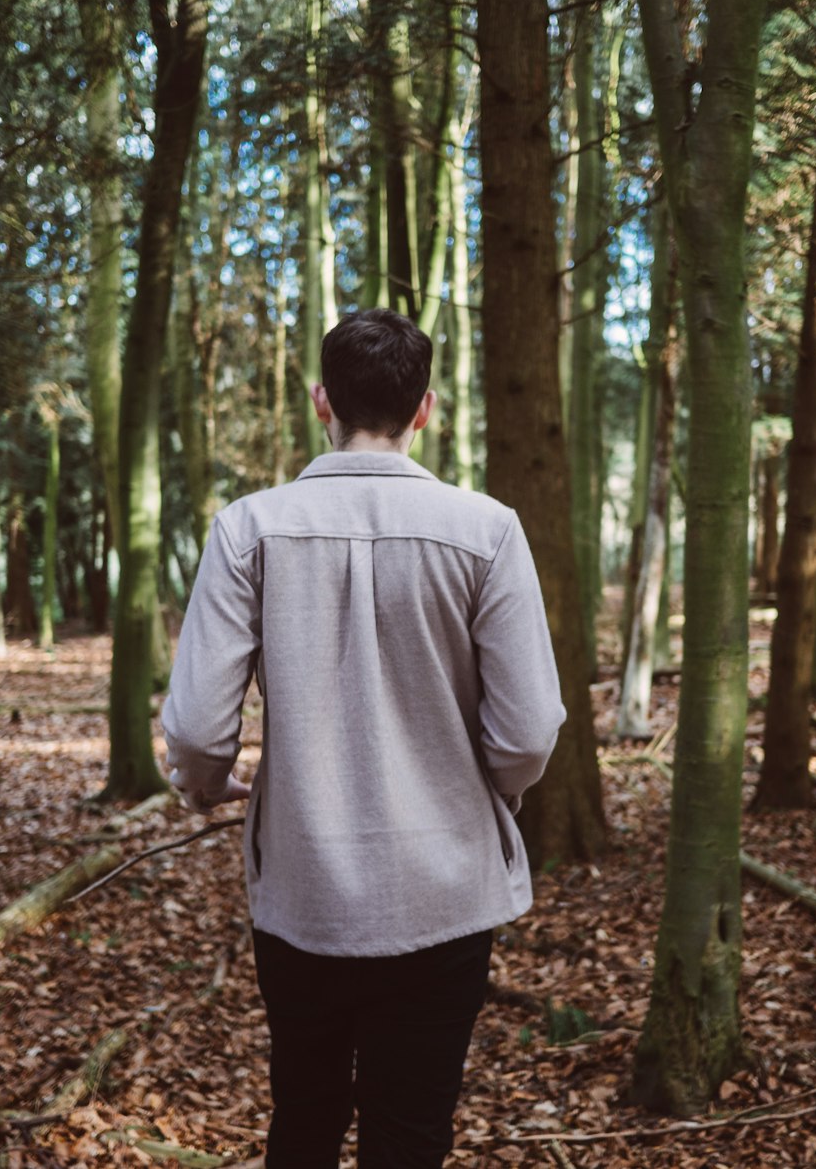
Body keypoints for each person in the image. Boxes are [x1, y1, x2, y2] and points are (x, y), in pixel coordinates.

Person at [161, 308, 566, 1169]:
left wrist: (206, 785)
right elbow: (529, 730)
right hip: (448, 894)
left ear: (321, 402)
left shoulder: (249, 528)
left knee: (302, 1121)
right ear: (424, 409)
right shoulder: (488, 530)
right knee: (411, 1135)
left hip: (304, 890)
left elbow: (197, 726)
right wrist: (485, 790)